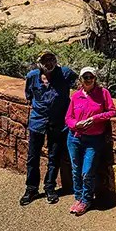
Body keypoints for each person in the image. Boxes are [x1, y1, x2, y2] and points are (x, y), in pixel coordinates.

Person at [21, 50, 78, 206]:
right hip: (37, 121)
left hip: (58, 123)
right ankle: (31, 189)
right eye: (45, 60)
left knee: (54, 157)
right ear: (39, 62)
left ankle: (50, 187)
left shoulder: (65, 73)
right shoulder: (32, 76)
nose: (49, 63)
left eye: (52, 59)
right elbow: (28, 95)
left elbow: (81, 85)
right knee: (33, 157)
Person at [65, 66, 116, 215]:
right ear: (81, 79)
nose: (88, 80)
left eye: (91, 77)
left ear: (95, 79)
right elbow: (68, 117)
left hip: (93, 139)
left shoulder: (103, 93)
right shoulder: (76, 96)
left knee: (87, 171)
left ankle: (86, 200)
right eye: (85, 77)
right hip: (74, 137)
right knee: (76, 169)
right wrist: (75, 125)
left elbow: (112, 111)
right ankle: (78, 198)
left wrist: (94, 119)